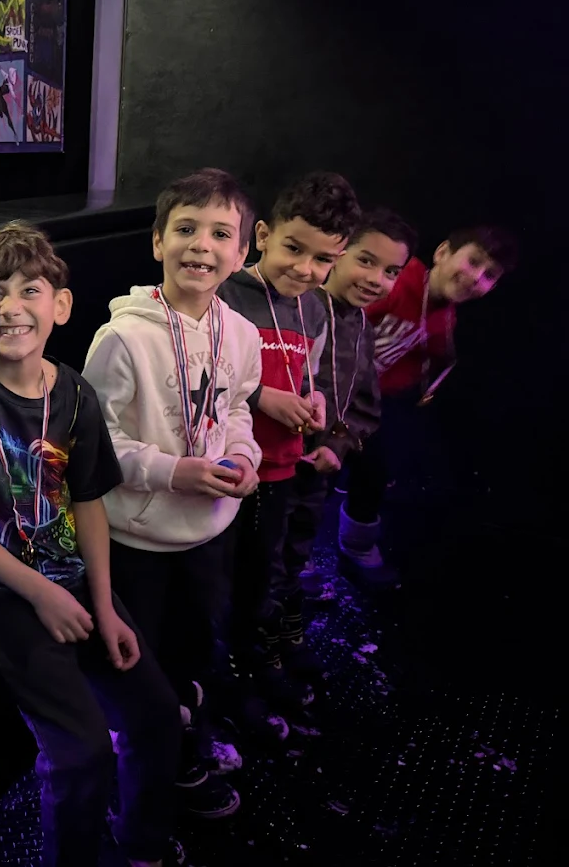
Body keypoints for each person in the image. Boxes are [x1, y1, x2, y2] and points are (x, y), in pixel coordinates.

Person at [0, 222, 186, 867]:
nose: (11, 307)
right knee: (81, 749)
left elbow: (88, 502)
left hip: (68, 575)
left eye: (30, 290)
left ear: (59, 307)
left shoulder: (75, 394)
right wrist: (43, 596)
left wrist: (104, 604)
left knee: (155, 711)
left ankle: (141, 843)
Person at [81, 170, 263, 818]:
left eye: (221, 234)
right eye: (185, 229)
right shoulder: (122, 337)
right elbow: (97, 448)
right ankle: (131, 776)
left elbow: (237, 409)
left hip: (210, 530)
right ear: (157, 241)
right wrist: (172, 472)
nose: (202, 246)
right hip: (137, 538)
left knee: (194, 649)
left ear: (243, 253)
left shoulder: (240, 335)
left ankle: (180, 747)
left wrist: (244, 454)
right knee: (139, 667)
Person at [215, 172, 360, 729]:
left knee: (263, 570)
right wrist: (260, 395)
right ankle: (220, 673)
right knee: (222, 575)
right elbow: (200, 375)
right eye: (293, 249)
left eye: (323, 259)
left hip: (281, 469)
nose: (304, 269)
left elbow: (311, 375)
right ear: (264, 235)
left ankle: (254, 661)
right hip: (231, 465)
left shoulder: (317, 308)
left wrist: (315, 405)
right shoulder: (227, 295)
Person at [339, 225, 519, 585]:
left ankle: (356, 546)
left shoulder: (445, 316)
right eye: (473, 261)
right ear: (442, 253)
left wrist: (417, 386)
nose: (475, 277)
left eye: (489, 276)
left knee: (374, 473)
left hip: (373, 403)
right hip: (333, 389)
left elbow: (432, 354)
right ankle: (295, 553)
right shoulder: (398, 281)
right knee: (316, 474)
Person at [285, 210, 415, 649]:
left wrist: (338, 446)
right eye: (366, 260)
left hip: (315, 472)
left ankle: (283, 639)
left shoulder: (359, 324)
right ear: (337, 255)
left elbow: (364, 404)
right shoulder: (297, 311)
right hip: (273, 466)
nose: (377, 278)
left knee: (297, 545)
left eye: (392, 271)